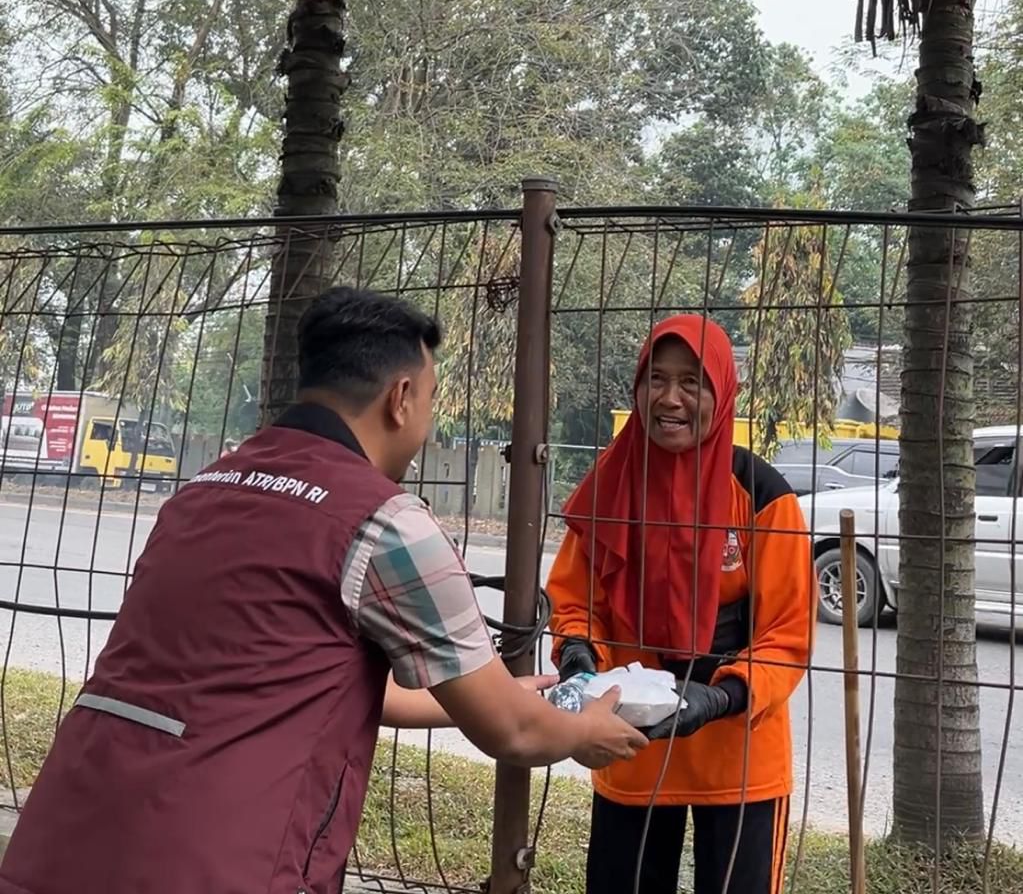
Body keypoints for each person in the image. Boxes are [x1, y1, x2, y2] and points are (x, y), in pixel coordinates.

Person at [0, 286, 645, 894]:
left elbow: (299, 680)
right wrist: (577, 729)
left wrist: (490, 697)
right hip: (218, 864)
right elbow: (514, 733)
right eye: (430, 398)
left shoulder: (204, 491)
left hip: (65, 838)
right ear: (401, 398)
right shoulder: (388, 524)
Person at [547, 314, 814, 894]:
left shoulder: (762, 495)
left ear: (723, 392)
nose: (670, 399)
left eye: (692, 382)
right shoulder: (610, 484)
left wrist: (722, 696)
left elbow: (788, 634)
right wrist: (577, 654)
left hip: (740, 752)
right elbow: (574, 599)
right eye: (657, 379)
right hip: (633, 742)